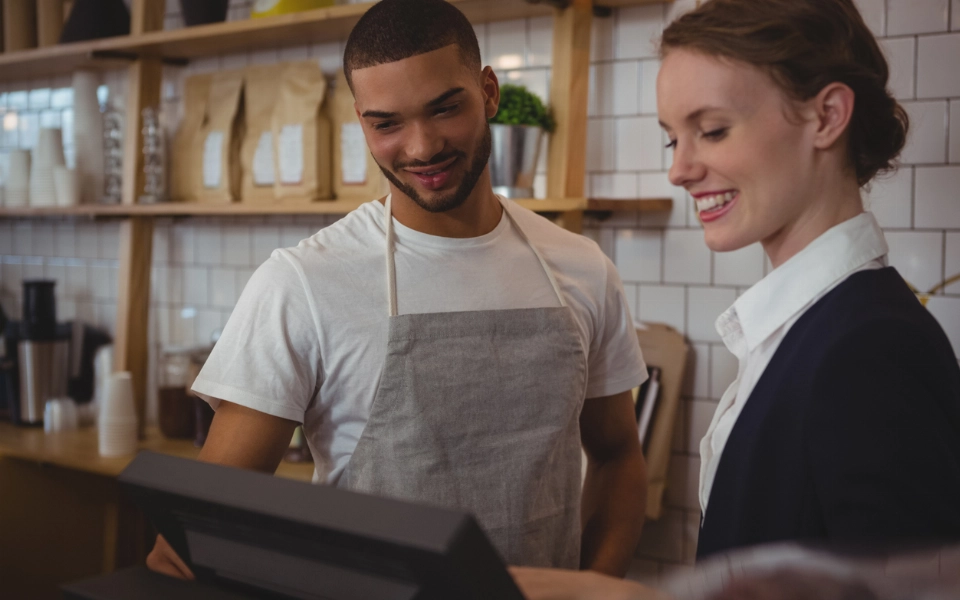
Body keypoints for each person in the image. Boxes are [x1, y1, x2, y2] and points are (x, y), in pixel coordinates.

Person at [147, 0, 649, 581]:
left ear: (489, 92)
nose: (421, 147)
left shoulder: (582, 266)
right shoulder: (303, 283)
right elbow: (189, 542)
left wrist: (594, 590)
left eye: (444, 109)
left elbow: (617, 456)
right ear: (362, 121)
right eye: (388, 123)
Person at [513, 0, 960, 596]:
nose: (680, 170)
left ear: (826, 116)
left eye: (713, 130)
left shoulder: (872, 348)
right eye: (673, 139)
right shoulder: (805, 329)